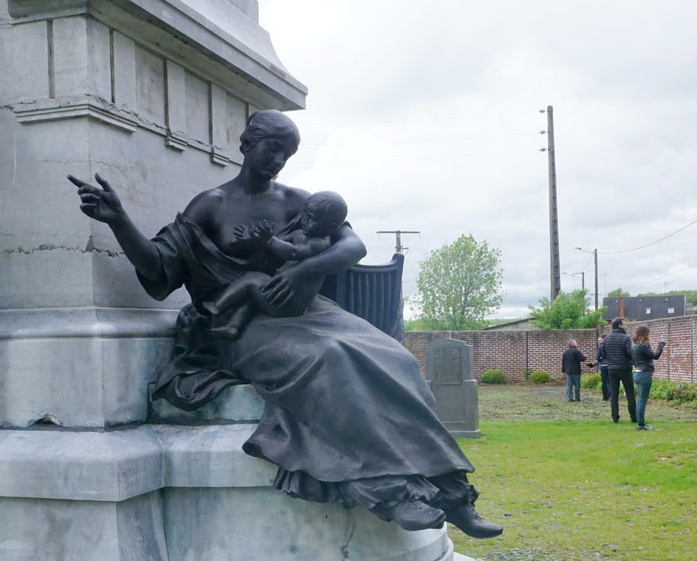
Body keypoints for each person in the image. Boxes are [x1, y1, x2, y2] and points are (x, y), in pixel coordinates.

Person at [69, 110, 501, 539]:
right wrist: (119, 221)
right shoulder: (211, 205)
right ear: (246, 142)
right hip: (242, 323)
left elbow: (353, 246)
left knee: (397, 358)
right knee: (331, 359)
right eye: (272, 147)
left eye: (288, 153)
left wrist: (300, 272)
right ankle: (393, 491)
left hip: (309, 308)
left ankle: (452, 492)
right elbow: (161, 270)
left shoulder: (299, 201)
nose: (278, 159)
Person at [202, 191, 348, 340]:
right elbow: (277, 243)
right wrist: (254, 238)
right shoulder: (300, 234)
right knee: (252, 295)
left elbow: (293, 252)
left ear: (331, 228)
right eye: (305, 214)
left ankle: (218, 306)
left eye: (312, 218)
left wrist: (270, 240)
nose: (304, 220)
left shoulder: (319, 243)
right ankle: (233, 327)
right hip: (278, 294)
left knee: (252, 279)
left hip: (288, 302)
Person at [629, 326, 665, 430]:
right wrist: (661, 345)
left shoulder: (633, 346)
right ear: (645, 334)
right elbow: (655, 356)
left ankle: (639, 422)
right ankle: (640, 424)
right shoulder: (643, 346)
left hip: (636, 373)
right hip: (644, 374)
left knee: (639, 399)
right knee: (642, 400)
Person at [601, 318, 637, 424]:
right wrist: (631, 362)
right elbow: (629, 352)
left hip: (611, 368)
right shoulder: (626, 338)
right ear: (620, 325)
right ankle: (633, 416)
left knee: (614, 393)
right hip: (625, 368)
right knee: (630, 393)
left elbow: (603, 353)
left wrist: (611, 361)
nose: (626, 326)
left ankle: (615, 417)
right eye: (625, 324)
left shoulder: (607, 338)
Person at [596, 334, 611, 402]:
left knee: (604, 382)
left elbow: (597, 358)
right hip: (611, 365)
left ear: (603, 338)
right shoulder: (611, 345)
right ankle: (611, 396)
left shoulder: (600, 346)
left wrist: (601, 360)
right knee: (610, 382)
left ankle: (605, 397)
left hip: (604, 366)